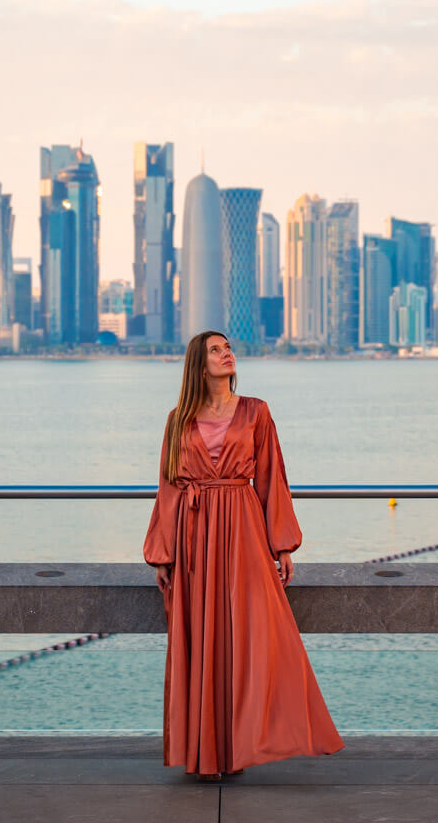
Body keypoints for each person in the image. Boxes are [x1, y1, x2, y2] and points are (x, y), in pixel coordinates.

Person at [143, 330, 344, 780]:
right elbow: (169, 487)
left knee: (250, 638)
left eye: (228, 347)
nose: (227, 353)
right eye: (216, 350)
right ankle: (208, 754)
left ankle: (244, 745)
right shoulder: (178, 419)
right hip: (194, 538)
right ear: (199, 364)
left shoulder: (256, 412)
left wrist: (282, 544)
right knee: (203, 639)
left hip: (245, 532)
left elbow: (273, 477)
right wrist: (162, 552)